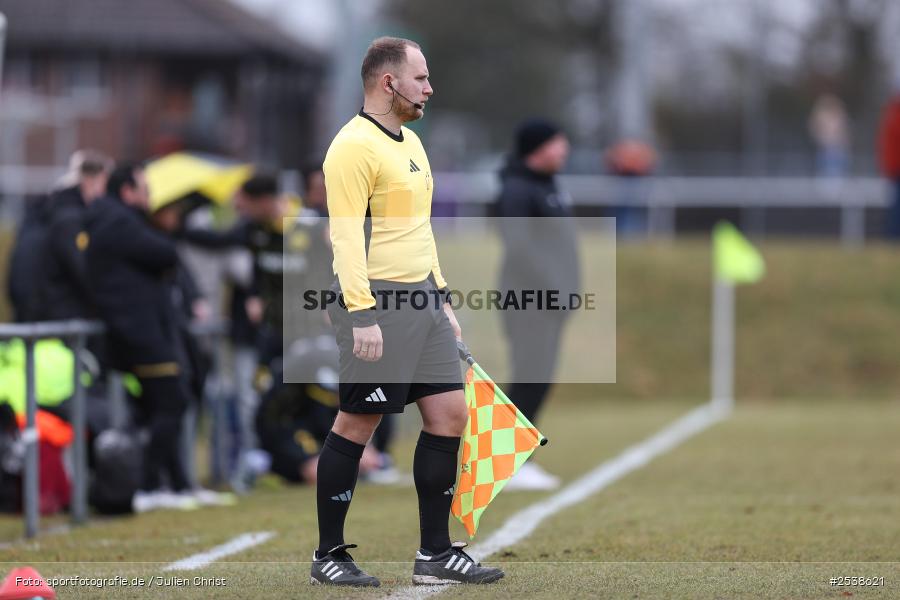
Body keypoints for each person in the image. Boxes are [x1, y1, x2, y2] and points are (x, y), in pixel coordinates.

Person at [310, 36, 503, 587]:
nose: (429, 87)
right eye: (421, 77)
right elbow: (344, 237)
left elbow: (420, 230)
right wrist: (361, 312)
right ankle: (329, 555)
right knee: (358, 421)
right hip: (375, 302)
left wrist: (442, 296)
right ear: (388, 82)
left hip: (421, 300)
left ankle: (435, 554)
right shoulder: (351, 147)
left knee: (449, 415)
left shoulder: (413, 143)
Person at [84, 162, 196, 512]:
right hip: (140, 333)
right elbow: (166, 253)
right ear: (127, 192)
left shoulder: (113, 220)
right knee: (173, 402)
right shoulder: (119, 221)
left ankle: (176, 485)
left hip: (141, 329)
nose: (150, 197)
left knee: (160, 408)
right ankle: (145, 485)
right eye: (144, 189)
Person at [495, 119, 580, 491]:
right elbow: (520, 247)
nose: (564, 150)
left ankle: (516, 458)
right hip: (528, 300)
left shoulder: (549, 185)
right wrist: (554, 288)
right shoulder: (516, 190)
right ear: (537, 147)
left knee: (538, 379)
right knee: (528, 378)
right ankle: (508, 463)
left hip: (550, 303)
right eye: (558, 143)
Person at [9, 150, 112, 322]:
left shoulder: (44, 212)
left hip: (33, 318)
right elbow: (83, 270)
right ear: (89, 181)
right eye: (103, 184)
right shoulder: (70, 220)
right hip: (56, 321)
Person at [878, 84, 900, 240]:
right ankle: (893, 236)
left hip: (893, 167)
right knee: (896, 207)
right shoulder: (894, 114)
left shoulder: (891, 113)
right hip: (896, 168)